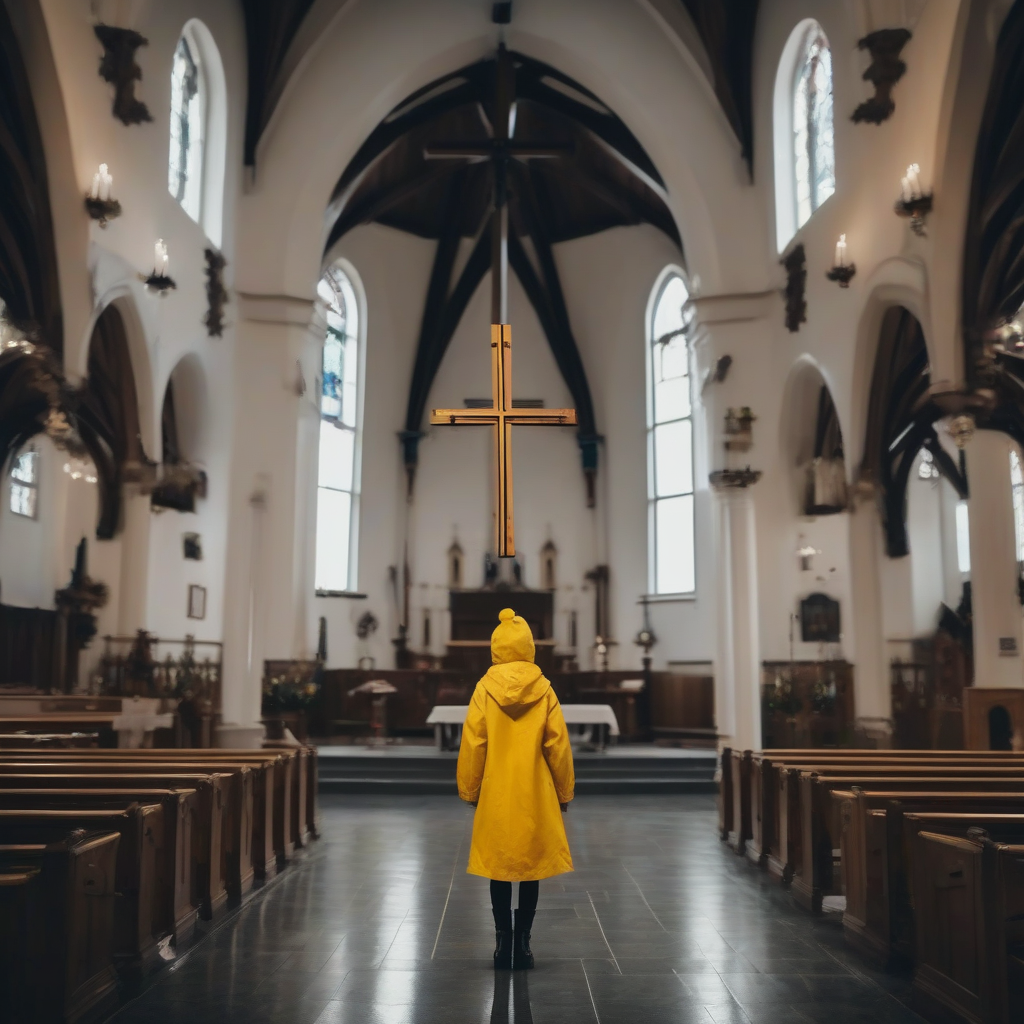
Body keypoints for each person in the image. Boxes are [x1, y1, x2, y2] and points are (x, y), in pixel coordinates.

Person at [457, 607, 575, 970]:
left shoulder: (484, 688)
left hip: (496, 787)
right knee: (530, 866)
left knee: (499, 865)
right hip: (535, 789)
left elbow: (474, 742)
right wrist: (564, 791)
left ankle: (502, 941)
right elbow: (558, 744)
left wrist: (470, 789)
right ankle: (524, 943)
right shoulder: (543, 688)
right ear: (529, 646)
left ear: (496, 647)